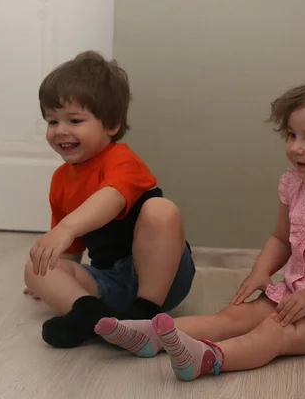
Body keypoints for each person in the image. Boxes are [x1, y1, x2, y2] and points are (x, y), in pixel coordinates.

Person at [93, 75, 305, 381]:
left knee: (277, 332)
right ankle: (149, 334)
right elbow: (280, 239)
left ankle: (208, 358)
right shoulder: (295, 186)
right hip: (293, 295)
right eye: (291, 135)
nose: (296, 148)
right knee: (235, 316)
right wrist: (260, 272)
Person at [23, 51, 196, 349]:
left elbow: (111, 199)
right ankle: (90, 314)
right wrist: (54, 282)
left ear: (111, 125)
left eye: (75, 120)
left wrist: (66, 227)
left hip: (161, 279)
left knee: (160, 210)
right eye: (52, 121)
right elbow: (70, 251)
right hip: (110, 282)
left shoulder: (122, 160)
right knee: (34, 268)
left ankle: (145, 315)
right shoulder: (61, 180)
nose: (61, 130)